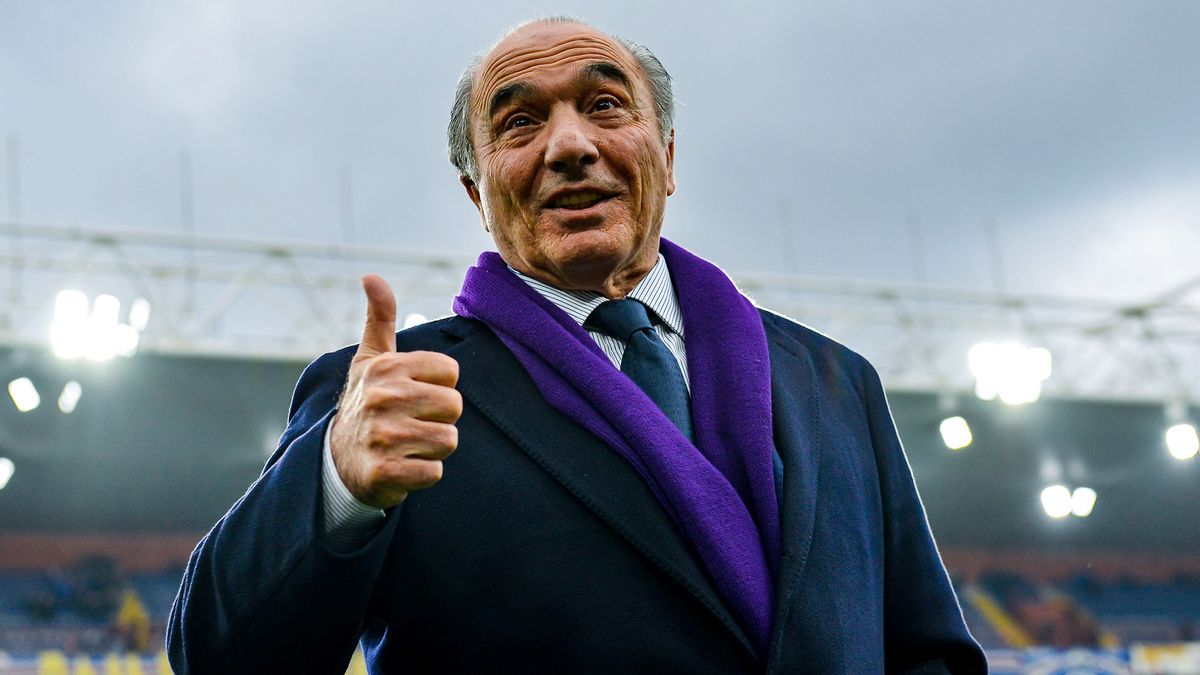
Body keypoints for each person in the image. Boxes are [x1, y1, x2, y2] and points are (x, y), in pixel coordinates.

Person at [168, 17, 987, 674]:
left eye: (604, 106)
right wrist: (335, 487)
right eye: (520, 122)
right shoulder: (399, 394)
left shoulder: (837, 383)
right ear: (476, 192)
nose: (568, 146)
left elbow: (927, 650)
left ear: (666, 157)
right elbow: (217, 655)